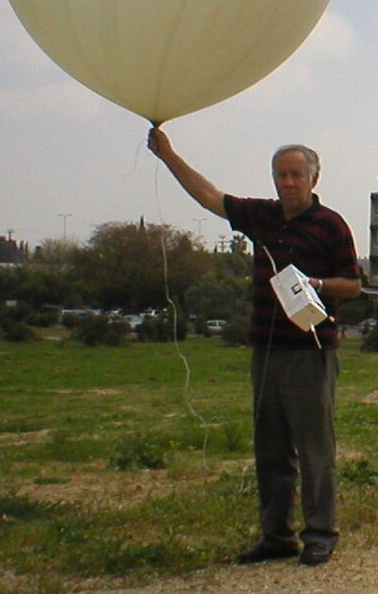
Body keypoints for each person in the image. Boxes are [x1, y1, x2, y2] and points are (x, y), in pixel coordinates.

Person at [148, 128, 361, 566]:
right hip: (266, 353)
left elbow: (354, 285)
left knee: (315, 449)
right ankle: (276, 536)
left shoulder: (331, 225)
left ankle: (320, 533)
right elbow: (209, 196)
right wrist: (169, 155)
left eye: (296, 175)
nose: (288, 183)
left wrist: (316, 284)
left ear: (314, 179)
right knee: (270, 449)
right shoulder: (261, 217)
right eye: (281, 175)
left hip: (310, 354)